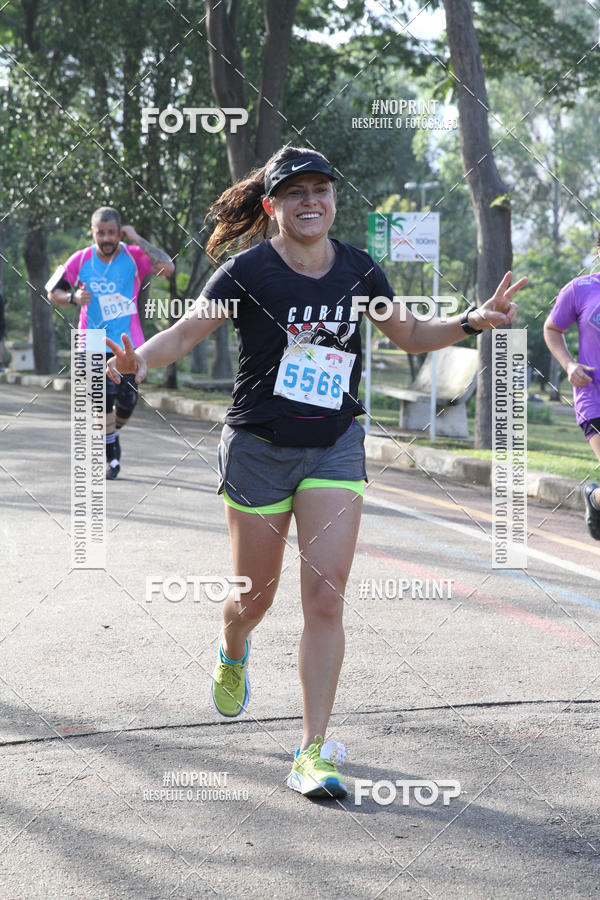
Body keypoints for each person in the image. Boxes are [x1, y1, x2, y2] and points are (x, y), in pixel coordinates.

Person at [106, 147, 527, 800]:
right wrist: (134, 361)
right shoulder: (245, 273)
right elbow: (183, 336)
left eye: (321, 191)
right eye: (295, 192)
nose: (310, 202)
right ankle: (232, 648)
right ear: (271, 206)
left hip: (334, 446)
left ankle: (311, 752)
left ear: (333, 201)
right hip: (257, 447)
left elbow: (410, 334)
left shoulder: (359, 270)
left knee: (326, 598)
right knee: (255, 597)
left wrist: (472, 320)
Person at [47, 207, 174, 479]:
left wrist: (137, 237)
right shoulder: (79, 259)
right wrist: (72, 298)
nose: (106, 238)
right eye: (100, 233)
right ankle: (112, 458)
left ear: (119, 233)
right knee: (102, 402)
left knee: (127, 403)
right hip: (91, 340)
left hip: (128, 342)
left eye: (111, 233)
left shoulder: (133, 255)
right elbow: (52, 291)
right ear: (93, 232)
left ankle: (108, 434)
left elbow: (168, 267)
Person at [544, 240, 600, 540]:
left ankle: (595, 498)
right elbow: (552, 329)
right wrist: (569, 365)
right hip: (594, 396)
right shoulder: (580, 289)